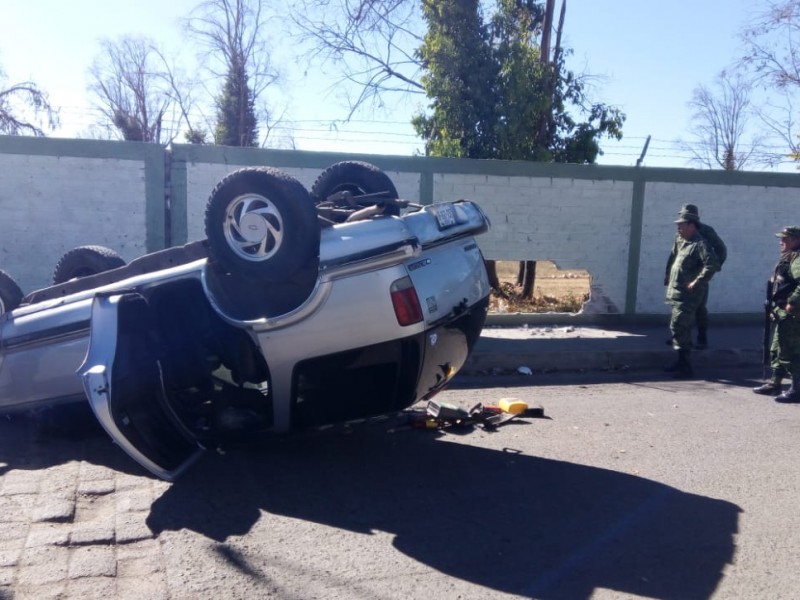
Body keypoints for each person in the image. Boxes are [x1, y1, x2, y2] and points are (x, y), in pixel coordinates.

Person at [664, 211, 720, 379]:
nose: (678, 228)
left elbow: (712, 264)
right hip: (677, 293)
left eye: (681, 225)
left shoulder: (700, 244)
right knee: (677, 327)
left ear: (691, 226)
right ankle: (680, 362)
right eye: (678, 226)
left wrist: (697, 282)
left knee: (682, 327)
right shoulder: (684, 242)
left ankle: (685, 367)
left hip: (688, 295)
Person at [753, 226, 800, 402]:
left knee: (791, 351)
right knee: (776, 349)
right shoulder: (789, 256)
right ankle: (775, 383)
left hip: (793, 314)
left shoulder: (797, 259)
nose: (781, 242)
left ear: (796, 240)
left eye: (785, 239)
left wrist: (792, 303)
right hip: (781, 311)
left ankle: (796, 390)